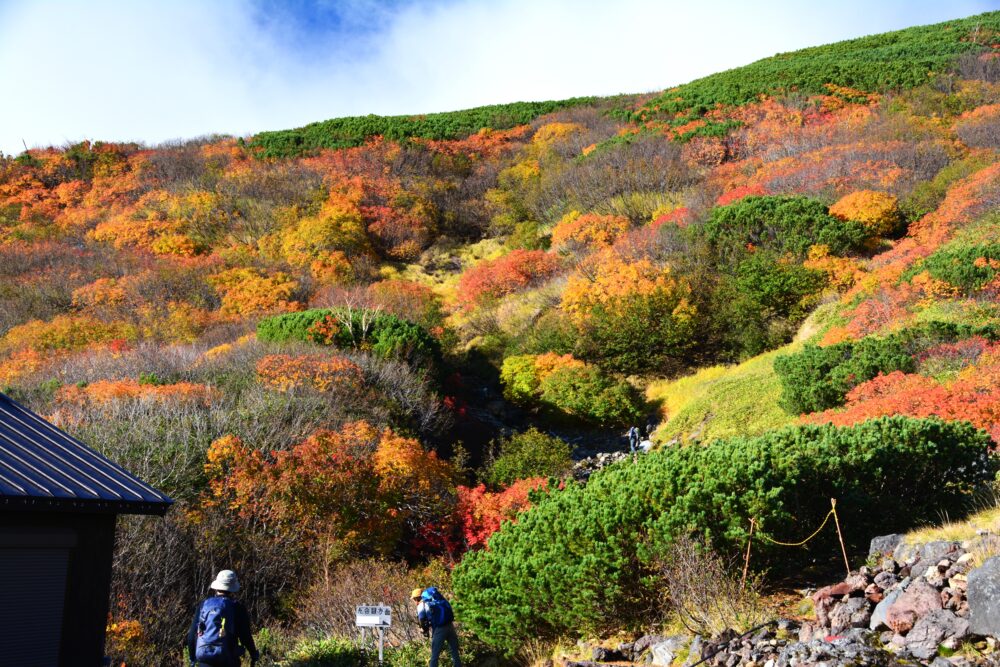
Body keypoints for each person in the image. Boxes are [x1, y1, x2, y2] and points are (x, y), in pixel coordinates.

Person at [186, 570, 259, 667]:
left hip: (205, 659)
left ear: (217, 587)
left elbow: (191, 636)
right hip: (229, 659)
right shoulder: (237, 607)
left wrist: (192, 659)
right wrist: (253, 654)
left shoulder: (204, 605)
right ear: (232, 588)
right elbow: (245, 636)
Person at [412, 587, 462, 667]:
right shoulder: (437, 600)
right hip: (450, 626)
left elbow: (422, 620)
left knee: (434, 655)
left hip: (439, 629)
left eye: (414, 599)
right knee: (454, 651)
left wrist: (424, 630)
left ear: (416, 598)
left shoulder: (422, 604)